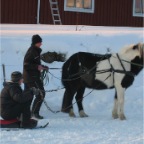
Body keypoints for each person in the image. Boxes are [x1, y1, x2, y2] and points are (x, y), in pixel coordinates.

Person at [23, 34, 48, 119]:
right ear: (35, 43)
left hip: (31, 77)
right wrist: (37, 67)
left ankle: (26, 113)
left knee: (29, 96)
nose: (41, 44)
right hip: (31, 78)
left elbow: (34, 63)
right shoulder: (32, 51)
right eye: (40, 42)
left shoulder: (35, 50)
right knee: (41, 93)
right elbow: (26, 64)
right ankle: (34, 113)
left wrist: (43, 67)